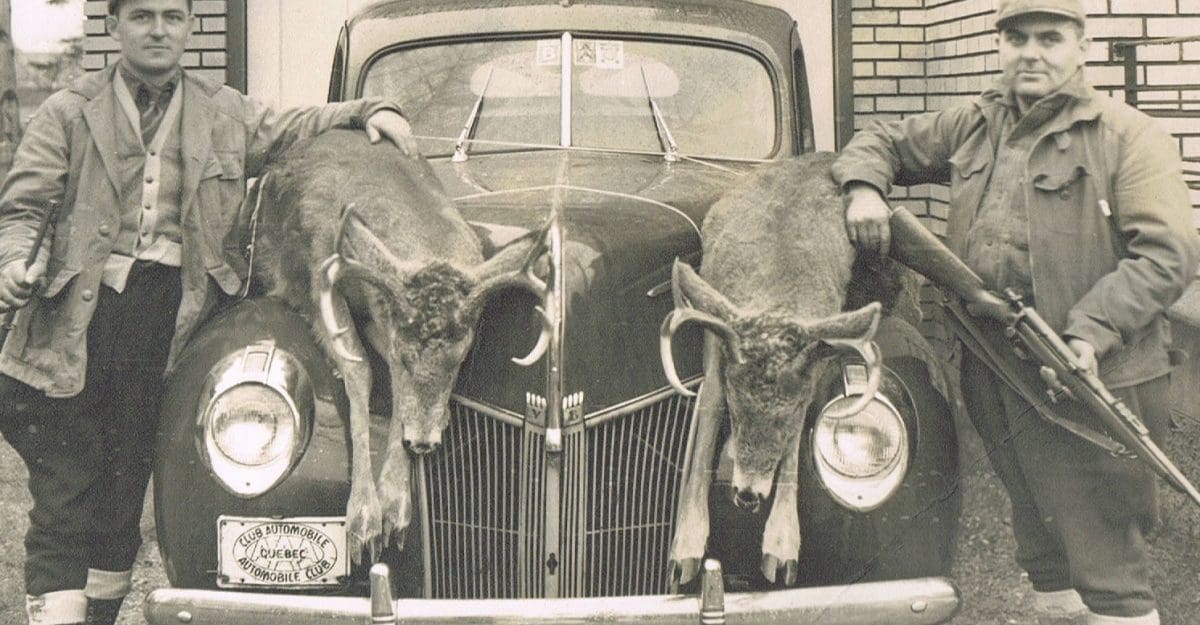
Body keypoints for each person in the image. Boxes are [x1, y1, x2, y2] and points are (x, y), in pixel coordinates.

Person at [0, 1, 419, 623]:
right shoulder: (67, 113)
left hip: (172, 326)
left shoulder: (226, 112)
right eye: (142, 16)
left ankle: (99, 617)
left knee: (123, 496)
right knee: (66, 496)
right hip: (75, 330)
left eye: (173, 16)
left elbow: (302, 123)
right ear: (113, 26)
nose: (159, 30)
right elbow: (23, 210)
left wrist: (369, 109)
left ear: (190, 26)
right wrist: (12, 263)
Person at [832, 1, 1200, 624]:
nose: (1031, 52)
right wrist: (865, 186)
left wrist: (1089, 332)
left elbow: (1168, 255)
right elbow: (883, 140)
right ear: (1000, 44)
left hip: (1088, 374)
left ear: (1082, 45)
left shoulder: (1128, 137)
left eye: (1050, 38)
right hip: (993, 364)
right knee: (1041, 537)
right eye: (1016, 38)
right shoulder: (976, 122)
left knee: (1107, 560)